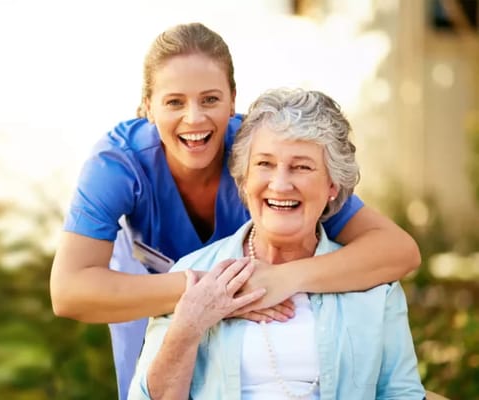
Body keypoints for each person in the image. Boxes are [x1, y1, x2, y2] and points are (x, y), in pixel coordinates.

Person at [50, 22, 421, 399]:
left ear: (232, 101)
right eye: (174, 102)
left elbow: (398, 251)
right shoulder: (118, 163)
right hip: (149, 285)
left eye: (210, 99)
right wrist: (214, 292)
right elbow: (69, 292)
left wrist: (284, 279)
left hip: (258, 272)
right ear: (147, 106)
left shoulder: (268, 153)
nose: (194, 118)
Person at [129, 87, 425, 399]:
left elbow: (402, 394)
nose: (281, 185)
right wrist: (190, 324)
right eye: (265, 164)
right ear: (244, 178)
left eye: (302, 167)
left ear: (333, 186)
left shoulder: (375, 287)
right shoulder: (193, 271)